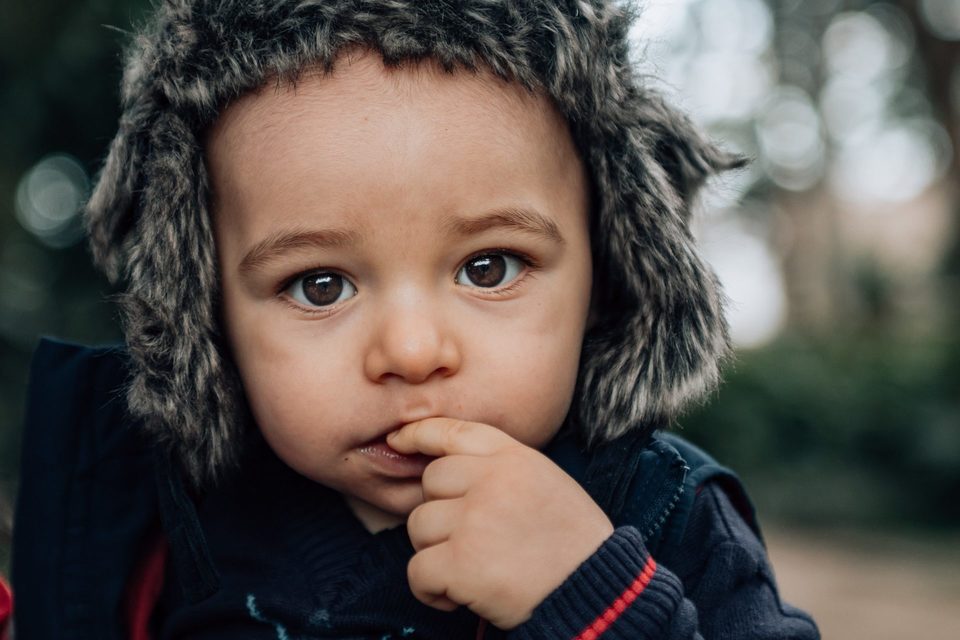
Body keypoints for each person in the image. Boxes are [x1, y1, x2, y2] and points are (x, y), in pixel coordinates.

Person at [12, 1, 820, 638]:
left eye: (488, 268)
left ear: (608, 274)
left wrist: (592, 594)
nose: (410, 351)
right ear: (203, 315)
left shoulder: (664, 516)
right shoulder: (151, 525)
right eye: (320, 285)